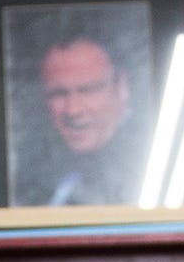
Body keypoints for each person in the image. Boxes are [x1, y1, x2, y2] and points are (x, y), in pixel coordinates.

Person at [14, 30, 145, 207]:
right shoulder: (25, 171)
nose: (73, 110)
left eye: (89, 90)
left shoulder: (152, 154)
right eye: (58, 94)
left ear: (121, 88)